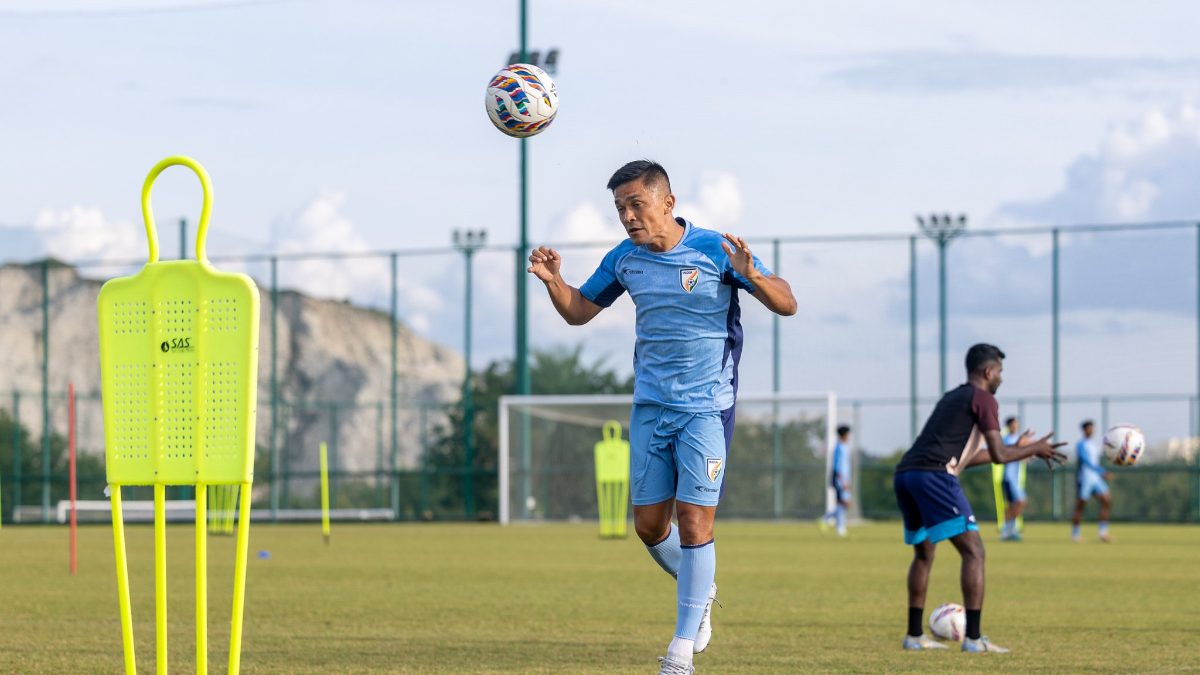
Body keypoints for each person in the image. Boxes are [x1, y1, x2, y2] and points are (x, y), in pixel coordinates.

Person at [527, 160, 797, 674]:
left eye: (636, 205)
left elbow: (787, 304)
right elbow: (580, 310)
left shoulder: (717, 248)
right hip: (650, 407)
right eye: (620, 209)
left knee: (696, 524)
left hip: (706, 409)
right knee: (650, 528)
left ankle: (679, 651)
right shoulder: (625, 259)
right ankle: (701, 585)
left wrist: (753, 274)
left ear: (667, 203)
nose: (628, 217)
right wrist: (553, 280)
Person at [893, 344, 1066, 654]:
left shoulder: (953, 397)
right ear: (988, 372)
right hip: (934, 476)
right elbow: (1000, 455)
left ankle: (914, 635)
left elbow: (968, 457)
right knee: (974, 551)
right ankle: (973, 639)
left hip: (907, 474)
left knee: (924, 554)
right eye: (999, 371)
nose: (1001, 377)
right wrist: (1034, 448)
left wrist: (1019, 445)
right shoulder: (985, 399)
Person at [1071, 420, 1113, 543]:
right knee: (1080, 506)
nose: (1092, 430)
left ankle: (1103, 532)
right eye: (1089, 428)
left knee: (1107, 501)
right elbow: (1085, 461)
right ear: (1084, 430)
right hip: (1085, 479)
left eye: (1093, 428)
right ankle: (1075, 534)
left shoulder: (1094, 445)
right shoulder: (1081, 445)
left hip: (1096, 479)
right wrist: (1101, 471)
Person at [819, 425, 853, 537]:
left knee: (842, 504)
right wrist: (843, 482)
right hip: (839, 479)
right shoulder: (839, 448)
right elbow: (838, 467)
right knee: (844, 503)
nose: (849, 436)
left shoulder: (843, 447)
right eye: (848, 434)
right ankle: (838, 526)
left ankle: (829, 521)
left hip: (842, 478)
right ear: (844, 435)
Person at [999, 416, 1028, 541]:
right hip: (1009, 477)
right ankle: (1008, 529)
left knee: (1013, 505)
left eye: (1016, 424)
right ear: (1009, 426)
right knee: (1021, 501)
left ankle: (1008, 530)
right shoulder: (1006, 440)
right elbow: (1007, 454)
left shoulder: (1019, 439)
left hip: (1016, 478)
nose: (1015, 426)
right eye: (1013, 424)